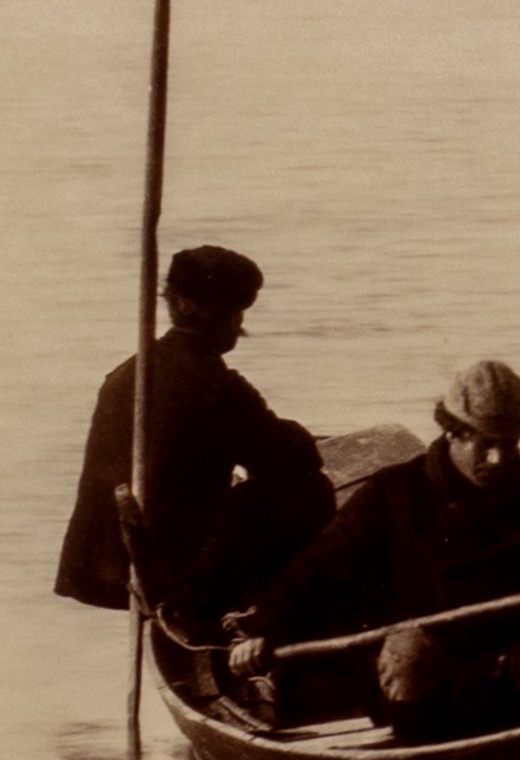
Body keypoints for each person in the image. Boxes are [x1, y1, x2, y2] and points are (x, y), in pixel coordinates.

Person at [230, 360, 520, 739]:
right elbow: (318, 570)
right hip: (428, 683)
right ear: (453, 433)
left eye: (509, 444)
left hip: (515, 673)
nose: (498, 459)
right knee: (407, 649)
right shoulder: (392, 494)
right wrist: (265, 629)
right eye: (486, 444)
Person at [53, 244, 336, 626]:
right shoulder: (214, 383)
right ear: (214, 313)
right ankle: (241, 610)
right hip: (163, 571)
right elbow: (296, 458)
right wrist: (299, 437)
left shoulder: (126, 374)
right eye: (236, 312)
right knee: (309, 490)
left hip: (106, 569)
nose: (239, 324)